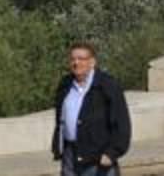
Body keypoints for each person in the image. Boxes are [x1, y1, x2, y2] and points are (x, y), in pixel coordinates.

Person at [52, 42, 131, 176]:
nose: (76, 63)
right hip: (70, 155)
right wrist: (58, 147)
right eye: (72, 59)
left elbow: (122, 123)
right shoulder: (65, 85)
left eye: (81, 59)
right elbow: (60, 119)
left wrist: (112, 153)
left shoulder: (107, 86)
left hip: (98, 158)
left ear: (92, 62)